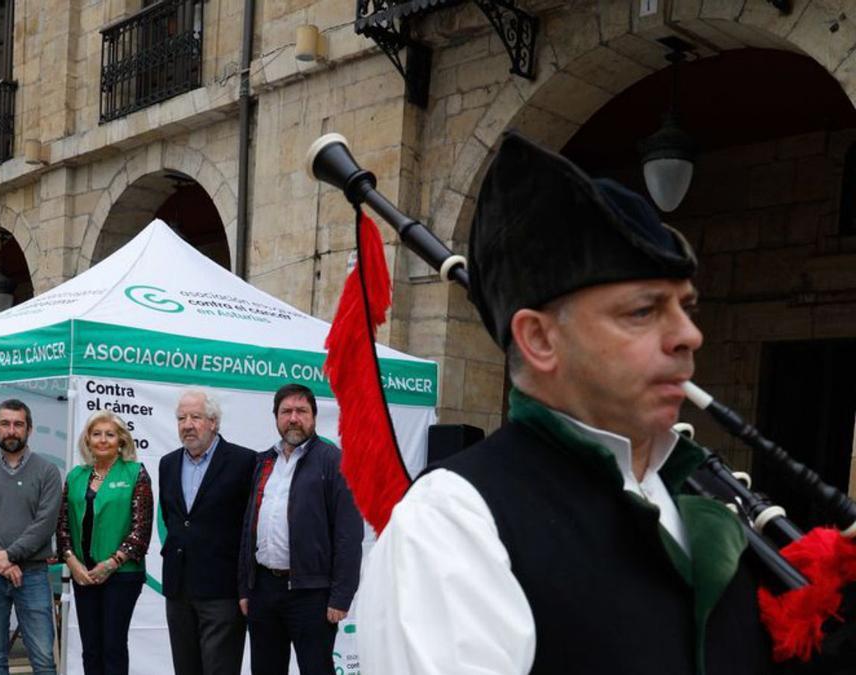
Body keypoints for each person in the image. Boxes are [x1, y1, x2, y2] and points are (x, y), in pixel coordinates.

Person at [358, 132, 774, 674]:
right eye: (644, 312)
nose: (689, 335)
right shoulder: (453, 523)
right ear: (540, 340)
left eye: (686, 307)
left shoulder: (697, 499)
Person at [238, 383, 363, 675]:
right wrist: (245, 587)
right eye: (286, 412)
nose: (293, 418)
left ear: (314, 417)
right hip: (264, 590)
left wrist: (341, 597)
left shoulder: (334, 462)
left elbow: (349, 534)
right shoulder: (263, 462)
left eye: (301, 411)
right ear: (276, 418)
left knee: (316, 669)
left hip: (313, 595)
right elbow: (248, 527)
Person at [158, 389, 256, 675]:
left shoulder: (243, 461)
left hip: (222, 592)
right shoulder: (168, 463)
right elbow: (173, 519)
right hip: (179, 590)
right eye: (181, 418)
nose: (187, 424)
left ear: (213, 422)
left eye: (195, 417)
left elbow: (249, 527)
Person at [0, 399, 63, 675]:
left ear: (29, 429)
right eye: (5, 424)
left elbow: (45, 523)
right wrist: (3, 562)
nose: (11, 430)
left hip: (32, 575)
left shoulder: (48, 472)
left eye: (18, 424)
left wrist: (10, 555)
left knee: (43, 658)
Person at [57, 411, 153, 675]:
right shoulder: (76, 476)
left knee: (113, 646)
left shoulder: (136, 473)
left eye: (110, 435)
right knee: (91, 648)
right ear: (87, 440)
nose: (103, 440)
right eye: (96, 434)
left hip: (122, 575)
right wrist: (73, 562)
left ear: (121, 441)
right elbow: (62, 526)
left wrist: (111, 563)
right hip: (83, 574)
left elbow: (140, 531)